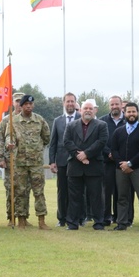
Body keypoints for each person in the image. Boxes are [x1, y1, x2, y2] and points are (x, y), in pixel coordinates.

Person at [5, 94, 51, 229]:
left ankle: (41, 221)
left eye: (31, 104)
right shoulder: (13, 121)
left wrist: (36, 148)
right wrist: (10, 144)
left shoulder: (39, 120)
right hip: (20, 163)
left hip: (36, 162)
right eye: (26, 104)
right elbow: (9, 136)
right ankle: (21, 220)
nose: (29, 106)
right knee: (20, 192)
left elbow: (46, 137)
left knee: (39, 192)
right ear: (21, 106)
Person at [63, 99, 108, 230]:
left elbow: (101, 142)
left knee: (96, 197)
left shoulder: (101, 125)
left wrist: (87, 154)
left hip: (94, 166)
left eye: (90, 108)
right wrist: (80, 156)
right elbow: (67, 142)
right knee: (74, 196)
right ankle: (72, 223)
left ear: (95, 111)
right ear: (81, 110)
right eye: (85, 108)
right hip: (75, 166)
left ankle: (99, 223)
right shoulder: (71, 126)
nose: (88, 110)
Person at [108, 102, 139, 231]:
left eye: (134, 112)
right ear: (124, 113)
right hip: (121, 169)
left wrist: (130, 163)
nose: (131, 114)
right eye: (129, 112)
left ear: (137, 113)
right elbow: (114, 150)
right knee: (122, 197)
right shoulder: (118, 132)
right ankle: (122, 223)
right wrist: (122, 164)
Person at [47, 92, 78, 227]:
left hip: (77, 160)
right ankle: (62, 218)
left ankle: (78, 217)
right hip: (61, 160)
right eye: (68, 101)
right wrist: (52, 161)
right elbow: (53, 142)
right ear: (64, 103)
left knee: (77, 191)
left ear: (75, 103)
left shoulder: (81, 118)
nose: (70, 104)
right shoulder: (57, 121)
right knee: (62, 190)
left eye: (72, 101)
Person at [0, 92, 24, 226]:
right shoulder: (6, 120)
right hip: (10, 160)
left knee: (24, 190)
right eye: (17, 101)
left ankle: (23, 217)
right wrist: (0, 157)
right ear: (13, 103)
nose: (19, 104)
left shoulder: (29, 120)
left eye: (21, 101)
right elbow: (0, 139)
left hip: (25, 161)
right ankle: (11, 217)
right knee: (10, 189)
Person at [101, 95, 125, 226]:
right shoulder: (102, 121)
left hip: (122, 162)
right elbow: (100, 140)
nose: (114, 107)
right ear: (109, 106)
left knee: (121, 191)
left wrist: (118, 156)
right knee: (106, 191)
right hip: (107, 162)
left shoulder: (128, 121)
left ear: (122, 105)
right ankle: (106, 218)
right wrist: (109, 153)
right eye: (112, 105)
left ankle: (119, 217)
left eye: (117, 104)